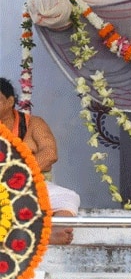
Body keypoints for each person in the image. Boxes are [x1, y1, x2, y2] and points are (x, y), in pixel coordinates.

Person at [0, 77, 80, 245]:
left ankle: (54, 232)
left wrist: (17, 174)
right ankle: (37, 236)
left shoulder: (34, 124)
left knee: (68, 197)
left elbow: (50, 154)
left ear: (10, 101)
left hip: (30, 184)